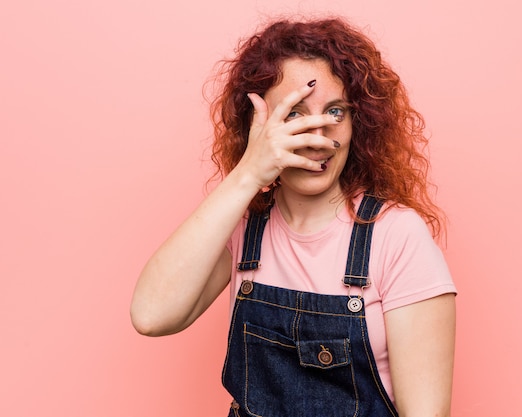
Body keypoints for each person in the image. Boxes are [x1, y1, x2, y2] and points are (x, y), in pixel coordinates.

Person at [131, 17, 457, 417]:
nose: (317, 138)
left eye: (334, 111)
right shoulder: (242, 227)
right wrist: (248, 174)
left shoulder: (397, 236)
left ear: (359, 124)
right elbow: (151, 316)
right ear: (257, 125)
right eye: (294, 114)